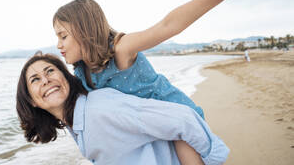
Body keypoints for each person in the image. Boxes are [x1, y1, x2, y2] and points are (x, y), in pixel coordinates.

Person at [53, 0, 267, 159]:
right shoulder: (81, 73)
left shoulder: (120, 49)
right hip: (146, 130)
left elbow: (168, 25)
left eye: (63, 36)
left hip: (176, 117)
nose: (58, 44)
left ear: (84, 30)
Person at [16, 53, 229, 165]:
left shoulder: (100, 110)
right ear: (31, 101)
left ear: (66, 77)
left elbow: (182, 119)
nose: (45, 80)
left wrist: (213, 159)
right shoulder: (76, 124)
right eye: (35, 79)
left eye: (50, 71)